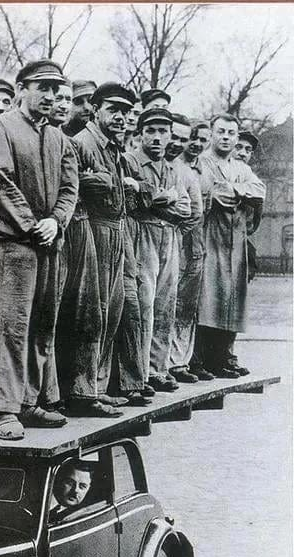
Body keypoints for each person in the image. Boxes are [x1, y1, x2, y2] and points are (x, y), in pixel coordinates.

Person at [0, 59, 78, 441]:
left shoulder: (58, 137)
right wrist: (30, 222)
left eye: (55, 89)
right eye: (42, 87)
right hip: (13, 244)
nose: (50, 96)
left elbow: (69, 188)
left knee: (42, 325)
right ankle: (4, 411)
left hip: (50, 244)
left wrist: (56, 221)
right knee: (10, 327)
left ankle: (30, 401)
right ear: (21, 89)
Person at [72, 82, 148, 409]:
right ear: (95, 109)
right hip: (93, 231)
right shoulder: (82, 143)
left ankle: (98, 385)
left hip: (117, 230)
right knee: (92, 312)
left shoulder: (113, 147)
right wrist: (97, 181)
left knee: (112, 312)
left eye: (125, 112)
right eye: (113, 109)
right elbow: (70, 185)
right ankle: (82, 391)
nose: (120, 117)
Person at [125, 107, 191, 392]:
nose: (156, 137)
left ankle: (157, 369)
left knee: (166, 304)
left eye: (163, 131)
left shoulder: (172, 167)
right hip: (143, 235)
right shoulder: (130, 161)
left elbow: (186, 209)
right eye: (150, 131)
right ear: (140, 134)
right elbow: (134, 203)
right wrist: (164, 197)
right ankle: (139, 373)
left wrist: (154, 199)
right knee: (144, 304)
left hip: (170, 237)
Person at [195, 114, 266, 377]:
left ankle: (223, 357)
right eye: (221, 132)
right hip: (210, 238)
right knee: (208, 298)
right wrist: (230, 192)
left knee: (231, 299)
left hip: (235, 242)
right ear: (212, 133)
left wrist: (236, 190)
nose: (226, 137)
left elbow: (259, 190)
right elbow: (211, 194)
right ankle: (200, 359)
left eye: (231, 133)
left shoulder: (241, 168)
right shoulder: (202, 162)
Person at [166, 114, 207, 384]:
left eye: (184, 139)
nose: (179, 143)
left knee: (186, 306)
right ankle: (165, 363)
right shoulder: (170, 166)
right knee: (168, 304)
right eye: (176, 137)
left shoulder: (192, 171)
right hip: (172, 243)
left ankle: (180, 361)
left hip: (193, 244)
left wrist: (180, 231)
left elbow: (196, 211)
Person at [234, 130, 263, 283]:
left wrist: (250, 228)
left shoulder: (250, 177)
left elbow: (259, 201)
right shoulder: (217, 169)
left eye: (248, 150)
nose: (242, 153)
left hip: (239, 237)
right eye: (238, 147)